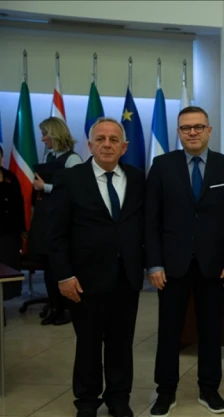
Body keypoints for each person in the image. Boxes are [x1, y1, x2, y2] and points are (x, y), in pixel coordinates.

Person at [146, 106, 224, 416]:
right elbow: (151, 220)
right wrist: (154, 263)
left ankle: (209, 389)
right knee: (169, 331)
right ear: (178, 132)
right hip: (171, 266)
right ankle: (165, 392)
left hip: (214, 266)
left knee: (211, 330)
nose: (192, 132)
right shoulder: (162, 166)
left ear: (209, 130)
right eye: (186, 127)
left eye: (198, 127)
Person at [47, 117, 145, 417]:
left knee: (121, 343)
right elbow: (56, 234)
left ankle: (118, 399)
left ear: (124, 147)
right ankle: (87, 402)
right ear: (89, 145)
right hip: (84, 280)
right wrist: (64, 275)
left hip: (126, 277)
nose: (107, 144)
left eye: (114, 139)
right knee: (88, 344)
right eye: (100, 139)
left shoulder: (138, 178)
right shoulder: (70, 179)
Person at [28, 117, 83, 325]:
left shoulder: (73, 159)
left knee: (58, 265)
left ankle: (65, 309)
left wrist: (45, 187)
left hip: (61, 218)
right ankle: (53, 306)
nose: (42, 139)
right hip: (45, 217)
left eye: (45, 134)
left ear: (55, 134)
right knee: (47, 266)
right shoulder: (49, 156)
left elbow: (75, 190)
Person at [0, 146, 25, 302]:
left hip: (9, 231)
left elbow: (19, 204)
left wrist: (22, 228)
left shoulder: (10, 177)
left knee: (9, 264)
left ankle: (6, 299)